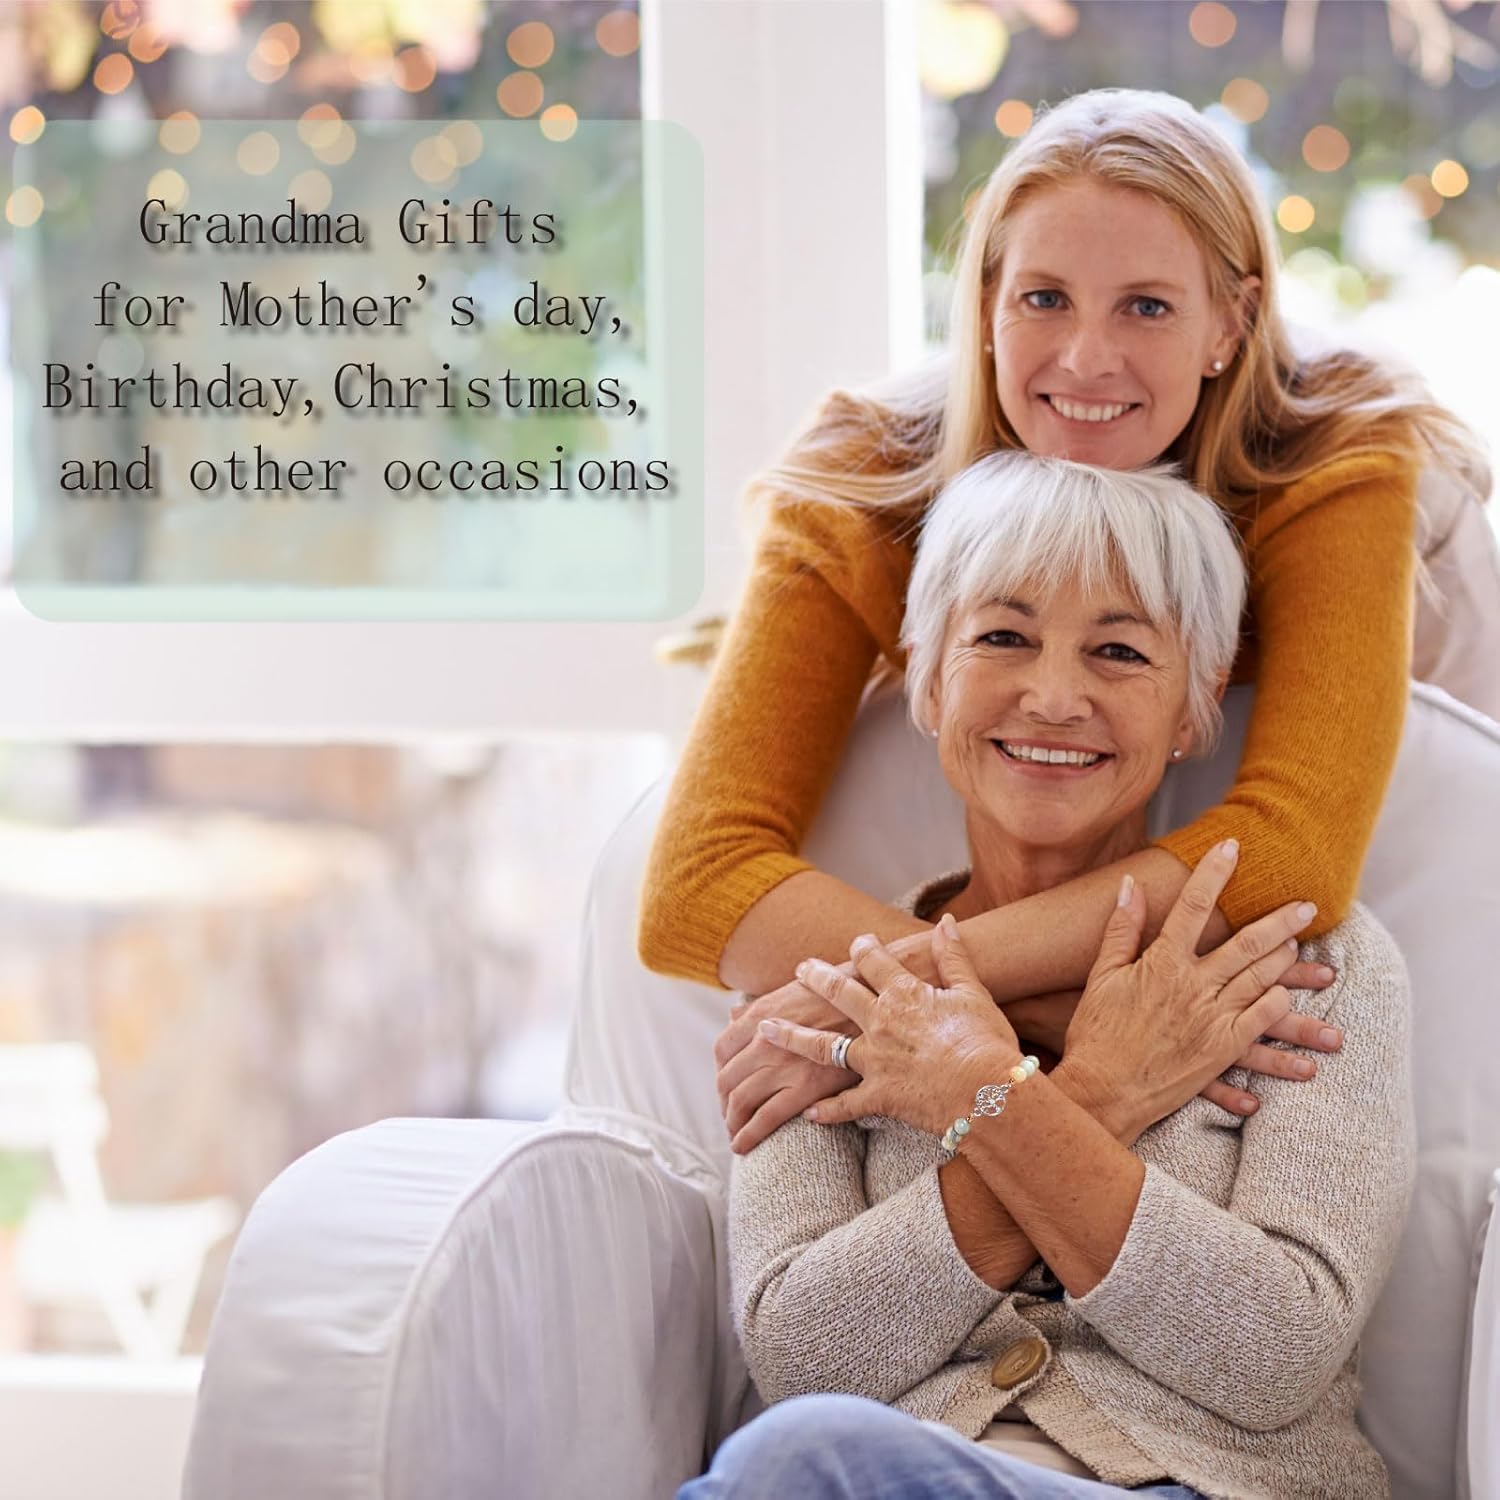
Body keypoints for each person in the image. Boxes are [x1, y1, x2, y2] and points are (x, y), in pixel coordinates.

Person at [636, 88, 1488, 1151]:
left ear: (1231, 322)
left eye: (1147, 306)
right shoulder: (860, 473)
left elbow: (1294, 850)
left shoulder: (1333, 452)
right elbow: (696, 884)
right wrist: (998, 1022)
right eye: (1043, 298)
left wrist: (914, 1003)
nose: (1086, 359)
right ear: (985, 300)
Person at [681, 452, 1415, 1499]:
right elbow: (806, 1360)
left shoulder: (1299, 965)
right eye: (1002, 638)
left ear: (1196, 707)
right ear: (931, 680)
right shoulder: (822, 990)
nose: (1055, 695)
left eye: (1118, 651)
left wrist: (986, 1103)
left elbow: (1277, 1351)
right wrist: (1101, 1092)